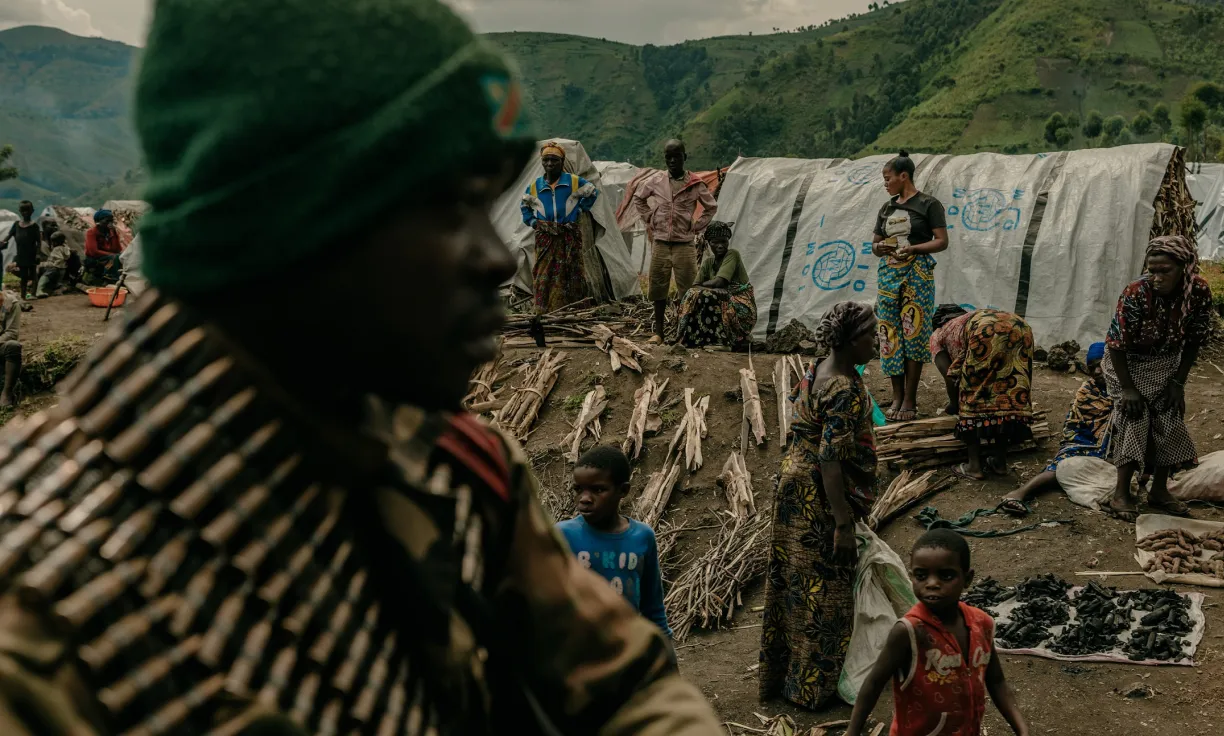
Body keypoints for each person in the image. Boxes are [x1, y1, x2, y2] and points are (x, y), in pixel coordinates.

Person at [0, 1, 723, 733]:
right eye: (452, 208)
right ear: (296, 222)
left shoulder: (454, 472)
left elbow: (630, 687)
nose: (498, 256)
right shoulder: (48, 636)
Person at [761, 301, 879, 710]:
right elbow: (831, 459)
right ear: (849, 340)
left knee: (793, 582)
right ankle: (813, 689)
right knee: (823, 589)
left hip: (794, 483)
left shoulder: (818, 369)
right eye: (869, 334)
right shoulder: (844, 388)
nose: (876, 341)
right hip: (817, 496)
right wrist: (842, 524)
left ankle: (784, 679)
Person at [842, 529, 1030, 736]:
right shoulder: (909, 631)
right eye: (921, 576)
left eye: (946, 575)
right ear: (912, 577)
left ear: (967, 579)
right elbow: (873, 684)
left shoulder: (982, 623)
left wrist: (1021, 728)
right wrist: (852, 732)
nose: (932, 584)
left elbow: (996, 681)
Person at [1102, 235, 1212, 522]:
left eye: (1165, 271)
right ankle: (1121, 493)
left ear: (1185, 269)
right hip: (1127, 364)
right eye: (1152, 270)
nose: (1156, 277)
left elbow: (1194, 341)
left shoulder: (1198, 291)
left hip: (1166, 363)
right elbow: (1116, 344)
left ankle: (1159, 490)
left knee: (1168, 416)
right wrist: (1128, 389)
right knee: (1134, 417)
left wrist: (1178, 383)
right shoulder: (1136, 293)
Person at [557, 446, 673, 638]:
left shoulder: (642, 537)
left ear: (623, 490)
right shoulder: (562, 535)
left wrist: (667, 660)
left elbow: (653, 607)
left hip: (627, 650)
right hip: (577, 653)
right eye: (578, 489)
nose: (584, 499)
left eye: (598, 490)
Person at [873, 151, 949, 421]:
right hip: (888, 276)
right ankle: (895, 395)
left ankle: (909, 399)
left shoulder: (929, 204)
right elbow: (875, 244)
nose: (885, 183)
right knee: (889, 334)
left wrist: (914, 249)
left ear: (903, 176)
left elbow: (941, 241)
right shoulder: (886, 208)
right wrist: (880, 247)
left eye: (888, 178)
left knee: (914, 332)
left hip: (917, 275)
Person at [998, 342, 1116, 516]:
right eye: (1092, 368)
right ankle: (1018, 494)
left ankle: (1100, 496)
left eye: (1101, 365)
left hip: (1115, 447)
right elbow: (1075, 427)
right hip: (1083, 442)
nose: (1097, 371)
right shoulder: (1087, 391)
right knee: (1061, 466)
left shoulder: (1126, 389)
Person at [930, 305, 1035, 481]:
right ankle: (999, 462)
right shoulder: (972, 317)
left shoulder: (938, 334)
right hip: (1021, 327)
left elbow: (950, 376)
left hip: (984, 331)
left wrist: (955, 405)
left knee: (973, 397)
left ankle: (973, 466)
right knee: (1006, 394)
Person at [633, 139, 718, 344]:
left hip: (684, 244)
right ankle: (659, 333)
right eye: (668, 157)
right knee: (658, 288)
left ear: (684, 157)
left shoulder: (695, 184)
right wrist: (650, 218)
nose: (672, 160)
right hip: (661, 242)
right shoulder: (656, 181)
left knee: (687, 290)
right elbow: (638, 198)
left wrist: (696, 225)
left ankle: (685, 333)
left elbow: (711, 207)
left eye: (676, 156)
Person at [520, 141, 598, 313]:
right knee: (543, 275)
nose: (549, 164)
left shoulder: (573, 182)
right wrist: (533, 222)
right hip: (545, 237)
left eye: (554, 160)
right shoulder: (535, 187)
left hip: (568, 234)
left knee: (572, 273)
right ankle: (544, 312)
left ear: (562, 162)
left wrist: (580, 209)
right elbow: (524, 207)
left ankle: (572, 311)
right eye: (546, 160)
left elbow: (592, 191)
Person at [673, 221, 755, 349]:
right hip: (723, 301)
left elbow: (719, 282)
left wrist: (706, 286)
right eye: (715, 242)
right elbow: (694, 287)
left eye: (723, 241)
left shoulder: (732, 254)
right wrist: (711, 288)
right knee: (694, 294)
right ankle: (694, 339)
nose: (720, 246)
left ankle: (722, 342)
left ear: (728, 241)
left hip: (741, 308)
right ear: (709, 243)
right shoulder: (708, 262)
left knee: (706, 295)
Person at [2, 200, 43, 300]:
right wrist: (3, 241)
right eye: (23, 211)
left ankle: (33, 294)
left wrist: (38, 254)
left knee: (33, 274)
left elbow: (39, 242)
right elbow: (9, 235)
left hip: (32, 254)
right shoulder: (16, 225)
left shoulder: (34, 226)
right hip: (21, 254)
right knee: (23, 276)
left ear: (32, 211)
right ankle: (23, 295)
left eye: (27, 210)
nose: (25, 213)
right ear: (20, 211)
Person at [84, 208, 124, 283]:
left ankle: (119, 277)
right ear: (99, 222)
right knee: (114, 257)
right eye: (107, 221)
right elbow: (93, 252)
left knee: (121, 256)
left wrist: (114, 234)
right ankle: (109, 277)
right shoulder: (91, 232)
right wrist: (112, 254)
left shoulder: (110, 233)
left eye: (111, 221)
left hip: (108, 257)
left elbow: (117, 249)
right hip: (94, 259)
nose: (110, 223)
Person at [0, 289, 20, 408]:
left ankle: (7, 393)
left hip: (1, 345)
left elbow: (12, 332)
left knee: (13, 346)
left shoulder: (11, 303)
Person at [35, 231, 72, 298]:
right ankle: (56, 287)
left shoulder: (56, 249)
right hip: (63, 268)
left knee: (44, 273)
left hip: (56, 267)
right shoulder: (65, 248)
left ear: (55, 242)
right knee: (58, 282)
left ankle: (39, 290)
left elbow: (59, 258)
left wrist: (53, 264)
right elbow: (66, 257)